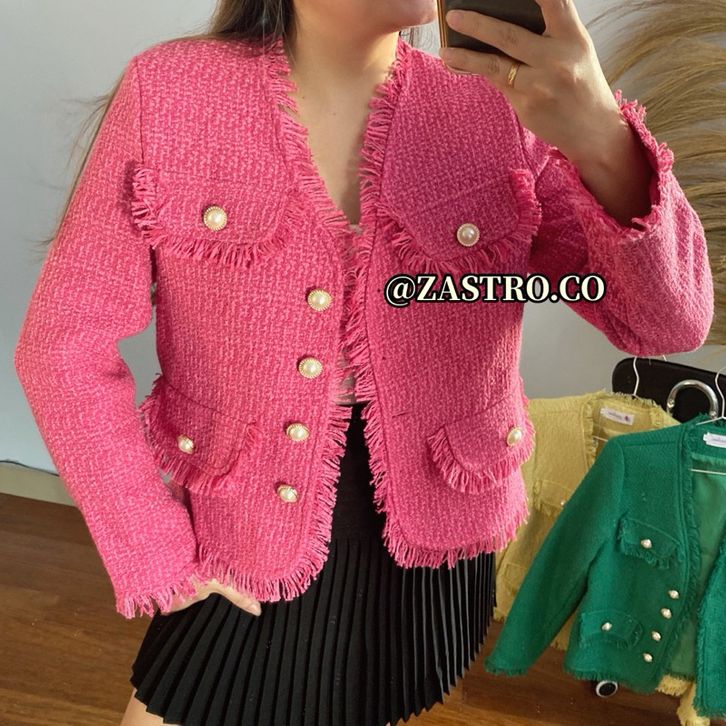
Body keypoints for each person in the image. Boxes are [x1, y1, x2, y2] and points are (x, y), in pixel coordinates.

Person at [14, 0, 713, 725]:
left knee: (369, 701)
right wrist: (150, 546)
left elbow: (664, 322)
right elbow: (63, 344)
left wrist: (601, 136)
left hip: (438, 539)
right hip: (239, 535)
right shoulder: (172, 94)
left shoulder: (495, 107)